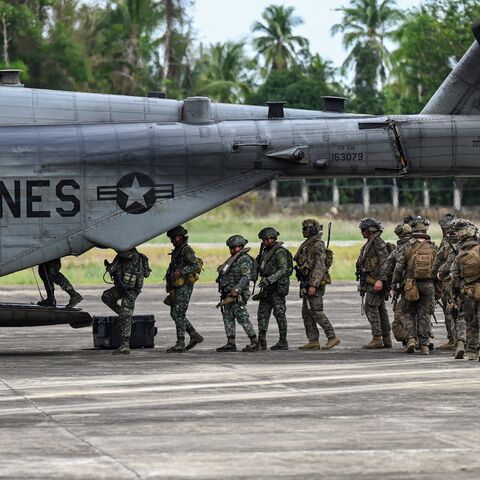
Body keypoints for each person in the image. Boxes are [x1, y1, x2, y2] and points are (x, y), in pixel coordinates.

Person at [391, 216, 437, 355]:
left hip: (410, 285)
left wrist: (394, 285)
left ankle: (411, 339)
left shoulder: (407, 247)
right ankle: (424, 345)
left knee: (408, 312)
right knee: (425, 315)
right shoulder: (433, 247)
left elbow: (399, 268)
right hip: (428, 285)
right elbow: (438, 267)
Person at [294, 219, 340, 350]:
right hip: (307, 282)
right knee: (307, 313)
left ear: (312, 229)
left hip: (314, 284)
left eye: (305, 228)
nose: (302, 231)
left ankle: (332, 337)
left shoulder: (317, 244)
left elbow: (320, 266)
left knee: (316, 311)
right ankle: (313, 340)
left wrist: (313, 284)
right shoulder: (309, 243)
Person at [164, 226, 204, 353]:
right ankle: (194, 335)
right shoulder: (178, 250)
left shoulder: (186, 250)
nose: (172, 240)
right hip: (176, 286)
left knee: (178, 313)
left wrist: (181, 271)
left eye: (174, 238)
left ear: (180, 237)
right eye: (171, 238)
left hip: (185, 286)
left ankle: (180, 343)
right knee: (175, 313)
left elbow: (196, 265)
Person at [216, 235, 259, 352]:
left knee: (242, 317)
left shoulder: (243, 259)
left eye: (233, 247)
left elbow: (246, 276)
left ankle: (254, 341)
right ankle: (230, 342)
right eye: (230, 248)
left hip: (237, 295)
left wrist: (237, 289)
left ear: (239, 247)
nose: (231, 250)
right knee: (228, 317)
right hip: (228, 294)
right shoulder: (233, 259)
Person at [101, 248, 148, 355]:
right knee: (106, 297)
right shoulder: (120, 256)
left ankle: (125, 345)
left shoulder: (133, 254)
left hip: (131, 290)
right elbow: (115, 266)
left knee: (126, 312)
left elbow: (123, 253)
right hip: (121, 287)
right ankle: (125, 317)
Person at [254, 227, 292, 351]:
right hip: (266, 289)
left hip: (276, 288)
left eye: (265, 239)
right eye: (263, 240)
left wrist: (269, 279)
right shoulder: (265, 252)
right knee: (262, 314)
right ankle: (261, 341)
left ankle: (283, 341)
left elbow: (283, 269)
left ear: (272, 239)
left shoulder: (279, 252)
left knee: (279, 314)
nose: (263, 242)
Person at [356, 218, 391, 349]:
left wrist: (380, 280)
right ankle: (386, 338)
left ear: (371, 230)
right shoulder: (370, 243)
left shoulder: (377, 242)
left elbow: (385, 261)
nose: (362, 232)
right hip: (372, 280)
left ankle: (377, 338)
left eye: (363, 229)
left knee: (370, 306)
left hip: (376, 281)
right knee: (380, 308)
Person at [449, 219, 480, 361]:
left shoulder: (461, 252)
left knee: (471, 322)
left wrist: (454, 295)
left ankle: (472, 352)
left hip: (467, 291)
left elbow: (454, 276)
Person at [378, 223, 412, 345]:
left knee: (402, 313)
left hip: (405, 287)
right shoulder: (422, 246)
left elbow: (388, 268)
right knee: (422, 313)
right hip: (424, 285)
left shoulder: (399, 250)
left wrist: (392, 285)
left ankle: (410, 339)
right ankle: (425, 340)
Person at [434, 213, 457, 350]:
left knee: (450, 310)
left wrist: (436, 276)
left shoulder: (447, 241)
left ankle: (453, 339)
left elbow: (440, 259)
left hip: (449, 280)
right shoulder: (465, 239)